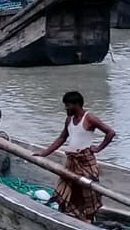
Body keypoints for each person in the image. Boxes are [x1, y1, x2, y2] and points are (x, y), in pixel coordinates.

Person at [38, 91, 115, 222]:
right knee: (66, 190)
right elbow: (62, 138)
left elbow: (110, 133)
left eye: (68, 106)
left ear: (77, 105)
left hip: (85, 160)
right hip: (72, 160)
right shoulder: (69, 119)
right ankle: (71, 216)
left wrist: (98, 148)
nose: (66, 108)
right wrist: (44, 153)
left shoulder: (89, 118)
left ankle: (89, 219)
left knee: (89, 192)